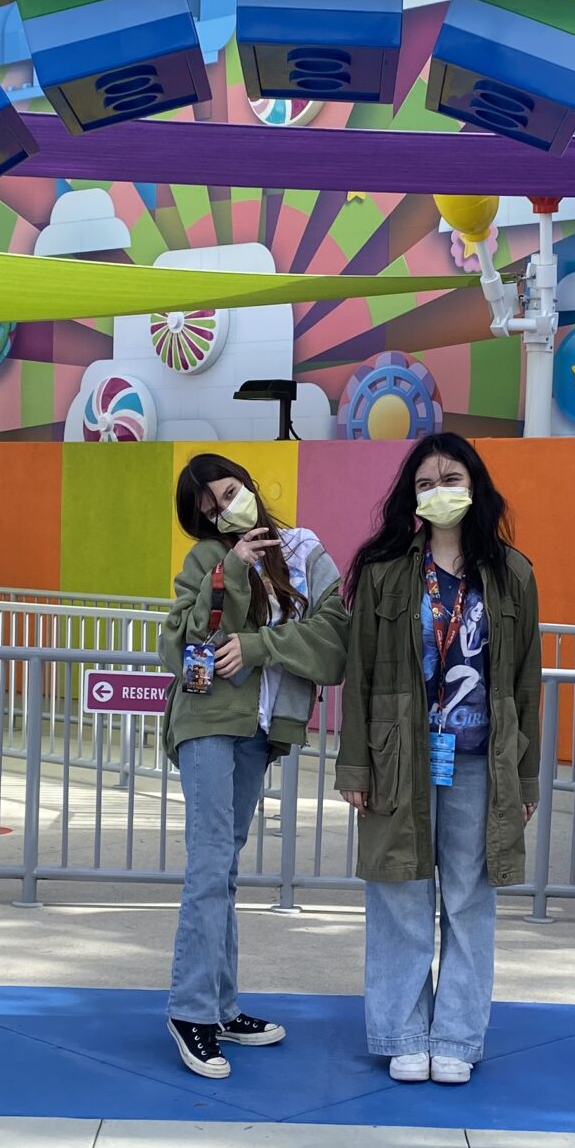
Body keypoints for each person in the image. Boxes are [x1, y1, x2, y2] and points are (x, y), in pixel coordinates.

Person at [337, 436, 541, 1086]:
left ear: (475, 487)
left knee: (469, 901)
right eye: (426, 482)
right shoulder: (384, 571)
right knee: (398, 895)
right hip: (399, 760)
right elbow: (359, 675)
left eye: (452, 478)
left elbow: (526, 683)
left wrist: (527, 779)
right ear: (412, 497)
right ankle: (402, 1032)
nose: (439, 491)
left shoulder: (512, 573)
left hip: (481, 762)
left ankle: (455, 1035)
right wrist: (355, 767)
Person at [161, 456, 346, 1081]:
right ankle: (190, 1011)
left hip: (260, 731)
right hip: (207, 719)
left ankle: (220, 1006)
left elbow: (334, 642)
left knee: (224, 868)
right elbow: (182, 647)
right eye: (211, 508)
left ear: (248, 485)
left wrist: (262, 646)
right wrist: (231, 572)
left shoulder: (304, 551)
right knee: (210, 862)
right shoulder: (206, 562)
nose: (225, 509)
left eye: (229, 492)